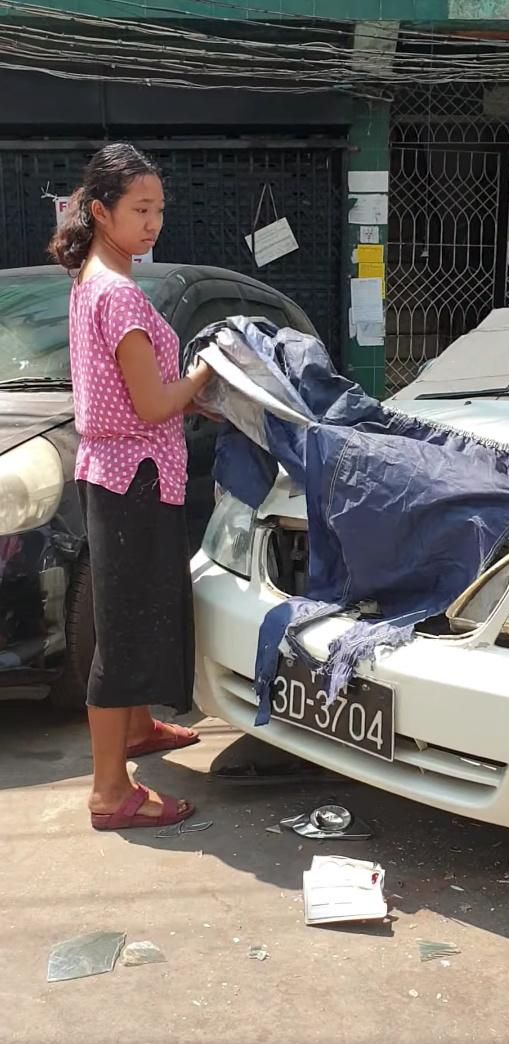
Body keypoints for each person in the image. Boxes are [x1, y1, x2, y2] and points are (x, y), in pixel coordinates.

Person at [49, 142, 212, 831]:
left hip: (119, 477)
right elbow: (150, 405)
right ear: (99, 210)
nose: (152, 223)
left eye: (159, 210)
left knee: (137, 616)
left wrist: (184, 393)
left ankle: (140, 729)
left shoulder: (94, 281)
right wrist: (206, 374)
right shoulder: (116, 295)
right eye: (140, 210)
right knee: (120, 634)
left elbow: (139, 393)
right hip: (134, 483)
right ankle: (110, 792)